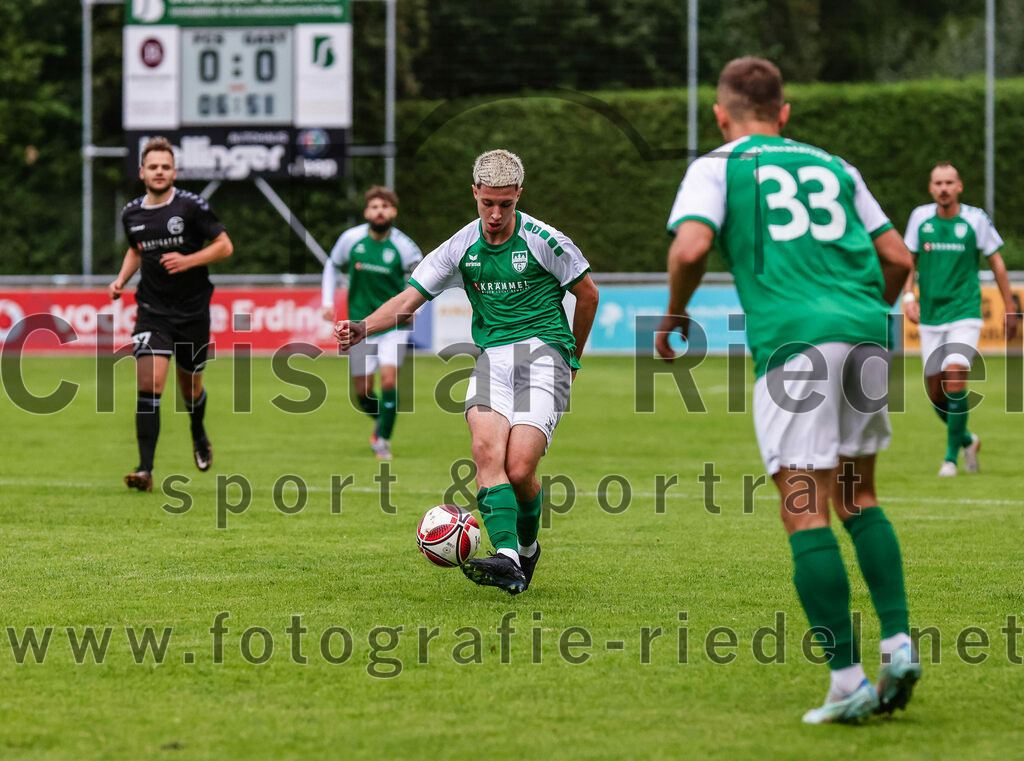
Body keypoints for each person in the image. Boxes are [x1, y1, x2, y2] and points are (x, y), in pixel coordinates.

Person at [655, 57, 918, 723]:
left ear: (721, 115)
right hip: (866, 337)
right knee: (859, 494)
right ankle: (899, 642)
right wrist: (863, 318)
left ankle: (847, 681)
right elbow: (897, 258)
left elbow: (690, 249)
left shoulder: (718, 165)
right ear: (785, 111)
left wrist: (676, 314)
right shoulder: (836, 165)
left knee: (804, 506)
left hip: (794, 346)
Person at [334, 149, 599, 594]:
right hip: (492, 358)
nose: (495, 214)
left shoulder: (545, 240)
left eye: (505, 204)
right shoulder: (460, 246)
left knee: (520, 470)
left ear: (518, 195)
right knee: (485, 453)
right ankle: (507, 557)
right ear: (474, 192)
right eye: (487, 203)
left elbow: (588, 295)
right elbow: (408, 301)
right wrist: (363, 327)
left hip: (544, 355)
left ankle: (527, 550)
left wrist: (572, 357)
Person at [110, 137, 233, 492]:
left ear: (174, 172)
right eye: (153, 167)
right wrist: (120, 280)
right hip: (152, 311)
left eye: (166, 167)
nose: (159, 172)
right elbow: (136, 250)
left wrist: (188, 260)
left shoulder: (192, 207)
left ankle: (198, 431)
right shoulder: (131, 213)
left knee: (190, 387)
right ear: (142, 172)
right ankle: (145, 470)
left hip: (193, 312)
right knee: (150, 384)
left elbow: (225, 246)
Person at [902, 163, 1019, 477]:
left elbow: (996, 262)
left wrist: (1010, 307)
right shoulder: (919, 218)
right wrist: (908, 296)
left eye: (949, 183)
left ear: (959, 187)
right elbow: (908, 261)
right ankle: (968, 440)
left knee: (955, 379)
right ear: (931, 188)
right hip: (931, 315)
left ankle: (950, 459)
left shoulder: (975, 219)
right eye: (938, 183)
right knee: (936, 394)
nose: (944, 188)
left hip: (965, 312)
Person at [322, 187, 423, 460]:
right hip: (359, 326)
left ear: (394, 212)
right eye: (375, 207)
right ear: (367, 212)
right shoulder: (351, 239)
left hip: (394, 325)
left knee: (388, 380)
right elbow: (332, 266)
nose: (380, 212)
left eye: (385, 207)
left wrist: (415, 309)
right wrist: (327, 302)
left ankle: (383, 442)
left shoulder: (405, 247)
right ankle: (384, 418)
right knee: (363, 392)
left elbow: (424, 281)